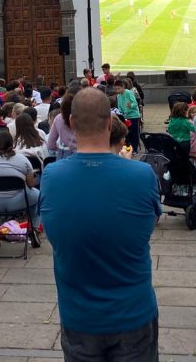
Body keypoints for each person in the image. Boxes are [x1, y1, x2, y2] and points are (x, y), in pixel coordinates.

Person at [40, 88, 161, 361]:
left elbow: (55, 231)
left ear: (70, 122)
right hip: (132, 313)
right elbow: (147, 226)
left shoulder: (52, 176)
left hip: (79, 316)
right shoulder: (141, 175)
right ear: (109, 123)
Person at [0, 130, 41, 248]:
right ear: (12, 143)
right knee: (38, 196)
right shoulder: (22, 160)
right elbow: (31, 184)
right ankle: (34, 229)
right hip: (17, 202)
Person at [46, 93, 77, 159]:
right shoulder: (82, 117)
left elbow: (50, 144)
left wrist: (60, 149)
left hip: (64, 154)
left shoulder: (58, 118)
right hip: (81, 153)